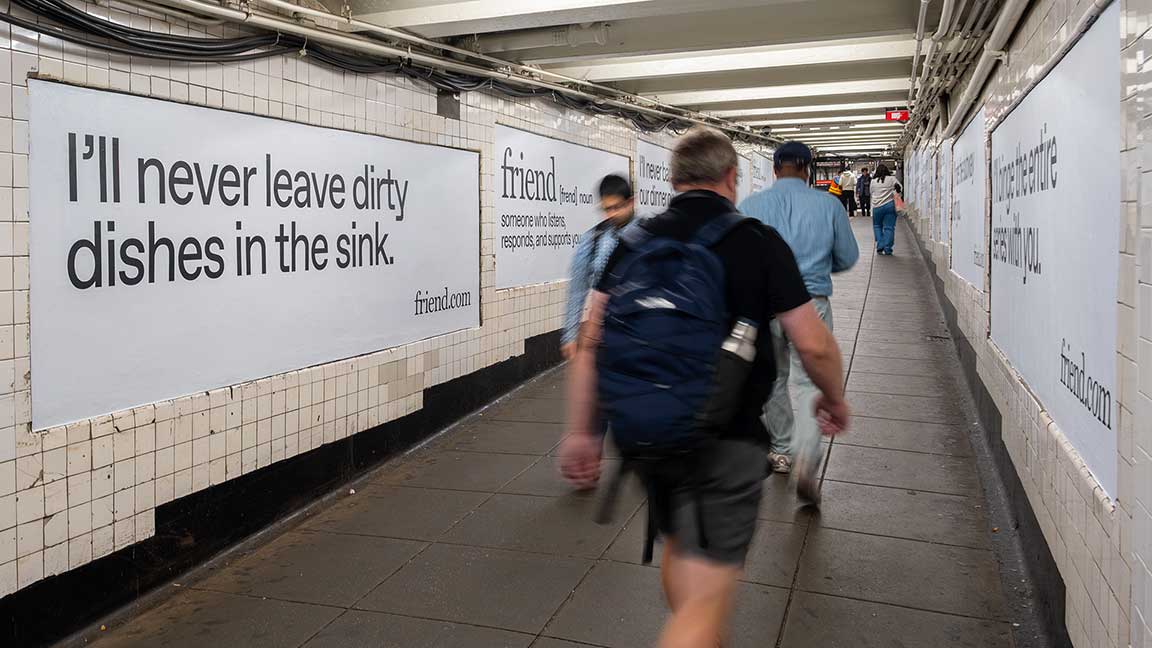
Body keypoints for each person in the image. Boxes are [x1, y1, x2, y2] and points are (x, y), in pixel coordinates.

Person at [560, 127, 850, 648]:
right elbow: (814, 345)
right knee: (706, 599)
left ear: (672, 182)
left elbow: (590, 339)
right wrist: (833, 397)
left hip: (649, 434)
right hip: (728, 437)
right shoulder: (756, 241)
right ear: (731, 178)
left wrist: (582, 431)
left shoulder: (634, 241)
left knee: (681, 545)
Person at [738, 141, 858, 501]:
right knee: (810, 383)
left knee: (773, 379)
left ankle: (782, 450)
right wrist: (820, 268)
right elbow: (847, 257)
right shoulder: (829, 205)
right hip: (811, 304)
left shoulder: (751, 205)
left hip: (765, 306)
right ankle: (807, 455)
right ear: (808, 169)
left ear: (775, 169)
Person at [560, 174, 635, 360]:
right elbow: (577, 290)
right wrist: (570, 334)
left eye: (617, 207)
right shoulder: (592, 240)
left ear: (631, 202)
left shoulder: (651, 235)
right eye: (607, 209)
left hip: (642, 339)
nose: (612, 214)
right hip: (604, 340)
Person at [870, 163, 903, 255]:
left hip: (877, 207)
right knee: (889, 228)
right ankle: (888, 248)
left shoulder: (873, 181)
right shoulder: (892, 179)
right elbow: (900, 188)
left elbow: (871, 192)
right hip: (889, 206)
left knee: (877, 226)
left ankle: (880, 245)